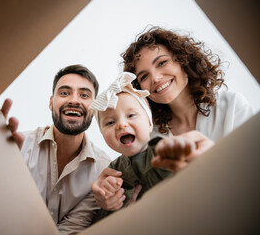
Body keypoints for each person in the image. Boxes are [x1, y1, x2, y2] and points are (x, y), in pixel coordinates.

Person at [92, 26, 255, 211]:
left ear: (184, 60)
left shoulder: (231, 106)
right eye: (144, 76)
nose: (155, 77)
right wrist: (106, 193)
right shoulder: (148, 134)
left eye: (161, 63)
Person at [1, 65, 111, 234]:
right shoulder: (17, 147)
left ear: (95, 108)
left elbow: (72, 229)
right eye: (65, 93)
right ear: (51, 103)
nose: (74, 100)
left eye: (84, 95)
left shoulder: (102, 169)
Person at [89, 72, 212, 222]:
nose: (121, 124)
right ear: (102, 135)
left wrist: (177, 150)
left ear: (149, 124)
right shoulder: (114, 169)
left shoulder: (160, 149)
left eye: (131, 115)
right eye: (110, 123)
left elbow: (175, 154)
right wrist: (108, 194)